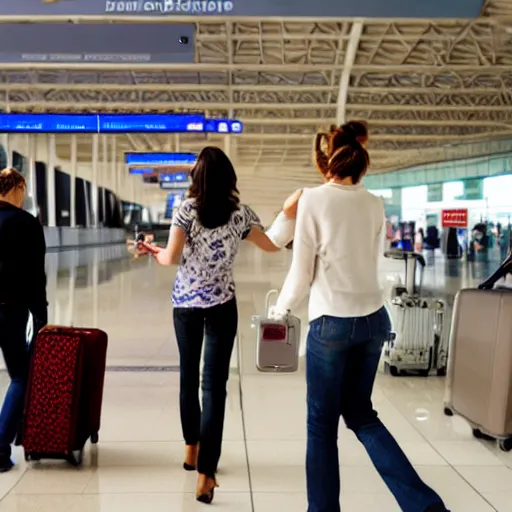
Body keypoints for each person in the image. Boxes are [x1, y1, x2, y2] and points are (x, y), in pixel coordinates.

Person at [271, 123, 448, 512]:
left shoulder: (314, 200)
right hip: (373, 320)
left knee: (320, 427)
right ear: (359, 163)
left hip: (331, 323)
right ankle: (424, 506)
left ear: (326, 162)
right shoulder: (374, 202)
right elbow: (373, 260)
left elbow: (301, 271)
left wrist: (280, 310)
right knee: (361, 415)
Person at [138, 146, 288, 504]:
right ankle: (206, 474)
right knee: (214, 387)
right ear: (229, 178)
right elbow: (271, 246)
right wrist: (289, 216)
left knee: (189, 378)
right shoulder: (241, 213)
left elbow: (170, 258)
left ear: (197, 178)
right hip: (223, 305)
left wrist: (152, 250)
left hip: (186, 305)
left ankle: (191, 449)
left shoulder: (186, 210)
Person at [0, 168, 47, 472]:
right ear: (16, 187)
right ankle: (1, 447)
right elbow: (35, 278)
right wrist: (42, 321)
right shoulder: (27, 223)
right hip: (10, 310)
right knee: (21, 374)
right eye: (24, 188)